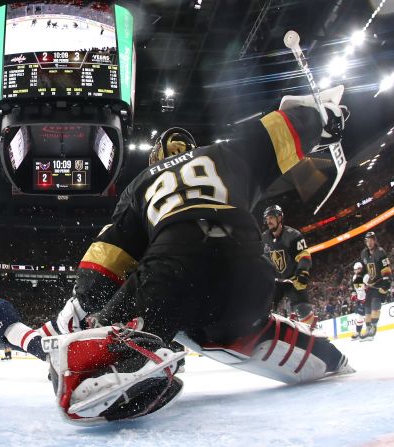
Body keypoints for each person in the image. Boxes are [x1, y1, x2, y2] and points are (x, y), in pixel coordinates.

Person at [41, 86, 355, 424]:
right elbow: (285, 127)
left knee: (123, 322)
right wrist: (322, 117)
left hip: (173, 274)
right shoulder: (227, 152)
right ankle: (314, 351)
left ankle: (148, 351)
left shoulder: (143, 182)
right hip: (250, 277)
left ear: (157, 156)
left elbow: (106, 259)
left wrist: (95, 307)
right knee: (224, 327)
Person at [261, 205, 315, 328]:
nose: (268, 221)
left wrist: (302, 271)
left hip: (293, 280)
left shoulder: (293, 235)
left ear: (279, 218)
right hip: (275, 281)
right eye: (266, 218)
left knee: (303, 308)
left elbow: (304, 256)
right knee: (262, 308)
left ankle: (310, 336)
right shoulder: (264, 238)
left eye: (271, 218)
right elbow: (262, 260)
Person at [358, 231, 392, 341]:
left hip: (380, 283)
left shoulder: (381, 252)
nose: (369, 242)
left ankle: (373, 328)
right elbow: (363, 269)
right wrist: (363, 280)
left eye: (371, 239)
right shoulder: (364, 253)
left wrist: (387, 283)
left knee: (375, 304)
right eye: (367, 240)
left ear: (374, 240)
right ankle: (368, 329)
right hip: (370, 285)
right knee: (367, 308)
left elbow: (386, 268)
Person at [350, 261, 368, 340]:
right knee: (359, 316)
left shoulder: (366, 276)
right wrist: (353, 294)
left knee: (367, 315)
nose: (356, 272)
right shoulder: (354, 277)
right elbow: (354, 287)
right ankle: (358, 332)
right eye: (355, 270)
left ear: (361, 269)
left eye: (357, 270)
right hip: (360, 299)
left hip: (366, 299)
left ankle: (368, 332)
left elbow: (369, 288)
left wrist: (366, 298)